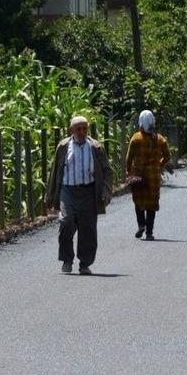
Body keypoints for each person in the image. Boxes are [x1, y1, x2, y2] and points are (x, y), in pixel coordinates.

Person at [45, 116, 114, 275]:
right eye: (78, 129)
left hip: (88, 192)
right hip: (67, 191)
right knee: (66, 222)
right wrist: (49, 195)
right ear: (71, 130)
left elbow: (107, 171)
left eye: (84, 128)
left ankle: (85, 263)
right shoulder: (63, 147)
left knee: (88, 228)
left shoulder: (95, 147)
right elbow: (55, 171)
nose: (82, 132)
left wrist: (106, 190)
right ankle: (67, 260)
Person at [125, 110, 171, 241]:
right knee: (152, 204)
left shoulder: (136, 138)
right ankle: (149, 233)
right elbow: (168, 156)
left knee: (138, 201)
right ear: (153, 121)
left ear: (140, 122)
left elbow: (129, 158)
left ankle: (141, 225)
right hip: (154, 177)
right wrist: (159, 165)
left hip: (138, 175)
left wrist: (128, 171)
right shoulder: (160, 139)